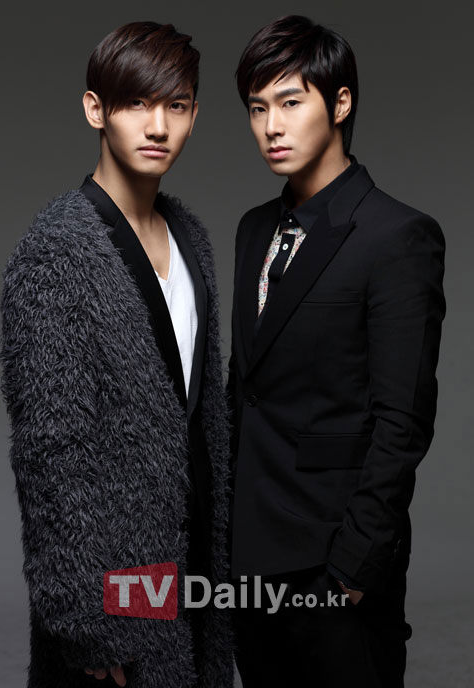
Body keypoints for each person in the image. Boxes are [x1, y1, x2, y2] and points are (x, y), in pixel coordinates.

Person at [0, 21, 233, 688]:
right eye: (136, 103)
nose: (158, 126)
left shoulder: (190, 238)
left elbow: (203, 416)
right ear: (95, 109)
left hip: (193, 562)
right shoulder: (55, 254)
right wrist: (86, 620)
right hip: (112, 586)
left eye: (177, 105)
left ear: (194, 114)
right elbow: (51, 455)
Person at [227, 14, 446, 688]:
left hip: (335, 565)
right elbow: (247, 391)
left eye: (291, 102)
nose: (272, 126)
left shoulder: (396, 237)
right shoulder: (253, 229)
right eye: (257, 108)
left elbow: (402, 421)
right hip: (248, 565)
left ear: (341, 102)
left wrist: (353, 567)